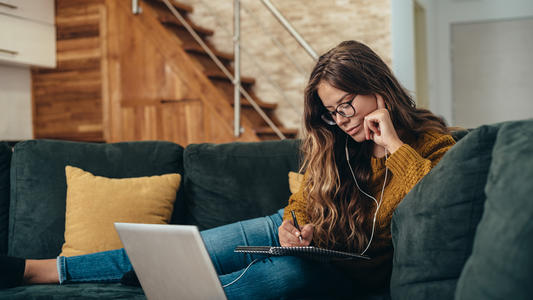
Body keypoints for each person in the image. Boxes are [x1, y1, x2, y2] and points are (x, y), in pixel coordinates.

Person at [1, 40, 455, 299]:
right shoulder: (339, 145)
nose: (343, 120)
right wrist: (295, 226)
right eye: (332, 113)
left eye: (346, 104)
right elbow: (305, 197)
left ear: (376, 87)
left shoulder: (431, 144)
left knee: (278, 277)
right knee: (186, 250)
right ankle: (38, 271)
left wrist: (393, 145)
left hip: (348, 276)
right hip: (308, 246)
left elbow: (437, 206)